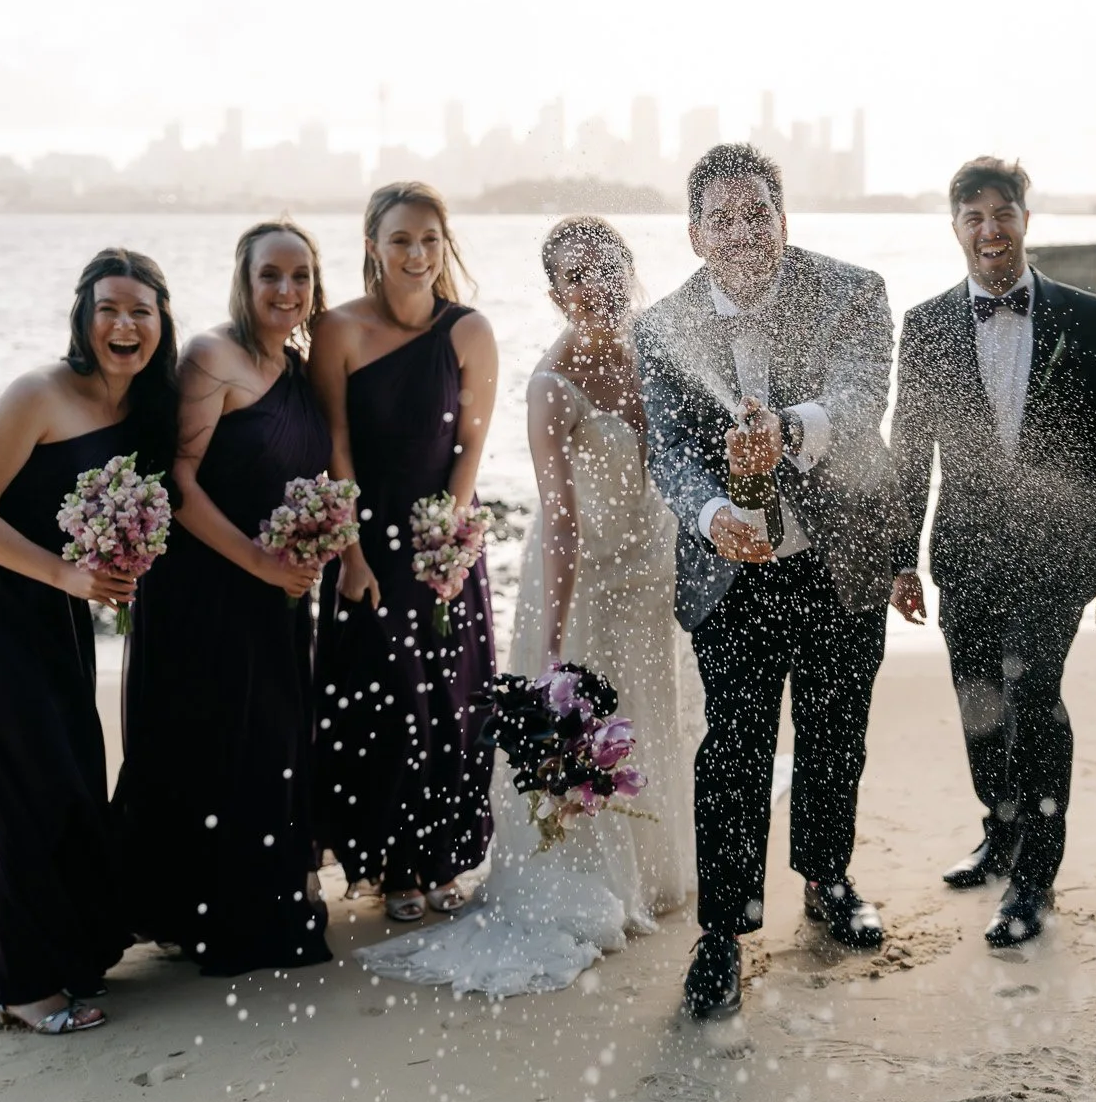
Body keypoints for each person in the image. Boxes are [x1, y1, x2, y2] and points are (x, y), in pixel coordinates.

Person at [355, 216, 699, 995]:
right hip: (584, 581)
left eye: (606, 267)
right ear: (554, 293)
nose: (596, 286)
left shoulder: (659, 351)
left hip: (655, 569)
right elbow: (564, 520)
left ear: (628, 269)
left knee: (653, 711)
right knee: (587, 725)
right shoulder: (552, 383)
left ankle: (653, 872)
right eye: (576, 276)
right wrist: (548, 651)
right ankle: (591, 878)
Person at [635, 142, 900, 1020]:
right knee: (734, 749)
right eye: (724, 219)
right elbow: (668, 449)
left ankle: (827, 879)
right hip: (731, 578)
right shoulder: (660, 327)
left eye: (759, 215)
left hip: (837, 563)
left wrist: (784, 429)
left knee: (835, 732)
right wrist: (715, 516)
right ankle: (724, 932)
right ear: (694, 233)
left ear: (784, 220)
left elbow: (862, 400)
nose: (744, 233)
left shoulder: (853, 291)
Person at [0, 248, 179, 1032]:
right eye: (109, 308)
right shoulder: (37, 394)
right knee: (9, 788)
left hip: (53, 614)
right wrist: (69, 577)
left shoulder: (145, 409)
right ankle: (20, 983)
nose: (124, 324)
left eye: (141, 311)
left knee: (65, 777)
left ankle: (68, 947)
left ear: (162, 323)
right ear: (83, 316)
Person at [890, 156, 1096, 948]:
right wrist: (900, 557)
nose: (989, 229)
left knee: (1032, 694)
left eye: (1002, 213)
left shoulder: (1091, 318)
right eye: (973, 217)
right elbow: (908, 449)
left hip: (1059, 552)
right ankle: (998, 828)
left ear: (1026, 220)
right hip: (965, 551)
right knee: (979, 705)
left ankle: (1034, 876)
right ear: (956, 228)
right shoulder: (927, 323)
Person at [113, 219, 336, 975]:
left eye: (300, 275)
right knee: (217, 741)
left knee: (270, 744)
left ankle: (253, 895)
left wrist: (310, 548)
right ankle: (203, 912)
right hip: (207, 587)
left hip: (278, 587)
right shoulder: (213, 356)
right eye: (270, 274)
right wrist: (259, 562)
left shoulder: (302, 367)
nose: (286, 289)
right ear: (243, 280)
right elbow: (176, 481)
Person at [311, 182, 500, 923]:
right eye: (400, 240)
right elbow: (336, 444)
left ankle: (442, 855)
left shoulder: (470, 330)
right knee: (384, 705)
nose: (416, 253)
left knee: (450, 699)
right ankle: (393, 865)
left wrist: (449, 542)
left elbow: (473, 443)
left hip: (441, 535)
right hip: (367, 540)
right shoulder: (338, 330)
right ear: (372, 246)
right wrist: (352, 553)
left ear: (443, 243)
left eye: (428, 238)